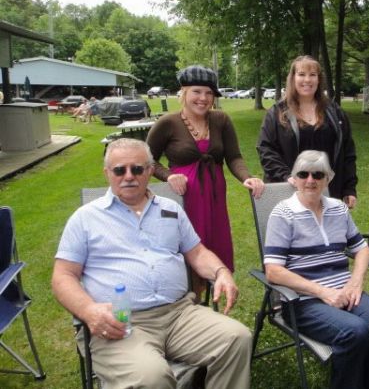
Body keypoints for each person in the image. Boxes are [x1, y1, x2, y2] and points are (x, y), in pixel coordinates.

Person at [51, 138, 252, 389]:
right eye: (119, 170)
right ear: (107, 173)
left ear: (149, 171)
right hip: (120, 323)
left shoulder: (170, 209)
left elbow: (197, 253)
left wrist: (221, 272)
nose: (128, 176)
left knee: (237, 338)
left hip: (180, 314)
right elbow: (63, 276)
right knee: (152, 377)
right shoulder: (85, 218)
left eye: (137, 169)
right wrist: (89, 311)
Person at [264, 150, 369, 389]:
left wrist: (355, 281)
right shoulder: (283, 214)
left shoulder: (338, 208)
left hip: (345, 291)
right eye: (303, 174)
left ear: (328, 179)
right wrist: (323, 292)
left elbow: (362, 249)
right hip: (303, 302)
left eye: (318, 174)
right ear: (293, 179)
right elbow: (273, 271)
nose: (310, 180)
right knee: (354, 332)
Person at [146, 64, 264, 272]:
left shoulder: (221, 119)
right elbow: (147, 160)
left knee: (216, 248)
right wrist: (169, 176)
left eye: (209, 93)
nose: (203, 98)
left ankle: (214, 293)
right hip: (184, 198)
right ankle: (192, 297)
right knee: (188, 250)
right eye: (197, 91)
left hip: (215, 195)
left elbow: (234, 156)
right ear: (184, 92)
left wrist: (247, 177)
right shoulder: (167, 123)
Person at [257, 55, 358, 208]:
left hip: (328, 192)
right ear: (293, 78)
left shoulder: (335, 113)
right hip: (290, 192)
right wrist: (286, 175)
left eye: (312, 75)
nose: (307, 80)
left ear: (319, 79)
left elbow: (348, 152)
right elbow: (266, 149)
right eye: (302, 74)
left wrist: (349, 188)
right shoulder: (277, 113)